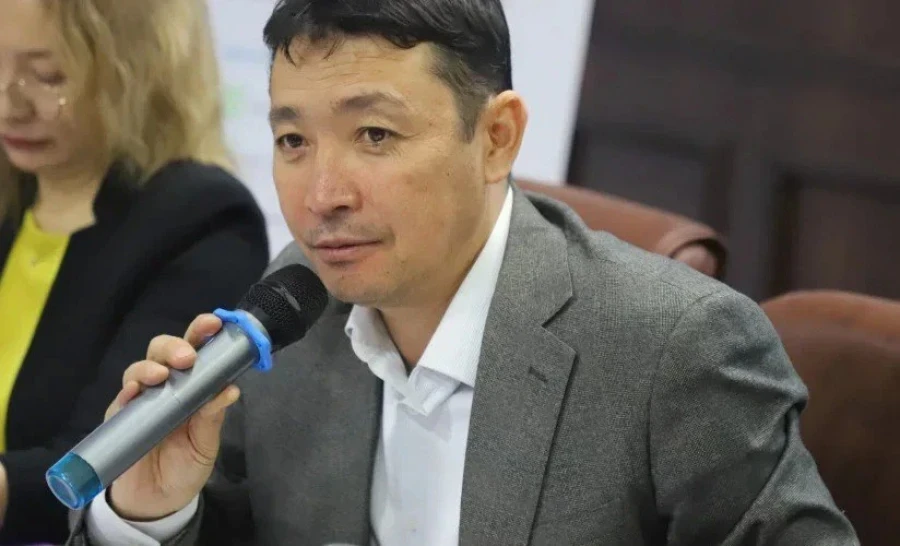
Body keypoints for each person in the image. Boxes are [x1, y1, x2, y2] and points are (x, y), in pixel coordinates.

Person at [70, 0, 859, 544]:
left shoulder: (674, 348)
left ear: (497, 138)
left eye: (375, 135)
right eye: (293, 142)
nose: (322, 196)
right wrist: (151, 515)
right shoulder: (295, 307)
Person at [0, 0, 269, 543]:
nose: (9, 104)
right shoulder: (15, 194)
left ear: (140, 71)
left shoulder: (202, 218)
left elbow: (106, 461)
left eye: (49, 76)